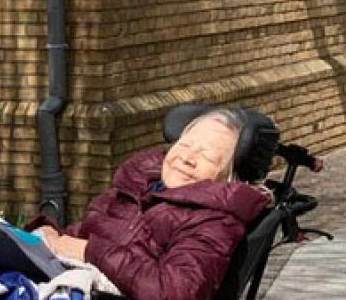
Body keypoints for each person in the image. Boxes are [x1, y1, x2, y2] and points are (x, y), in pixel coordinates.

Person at [26, 107, 272, 300]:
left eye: (207, 156)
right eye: (184, 145)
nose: (187, 158)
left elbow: (177, 292)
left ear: (229, 177)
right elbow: (85, 232)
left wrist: (91, 251)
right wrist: (50, 234)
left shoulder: (215, 221)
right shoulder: (135, 188)